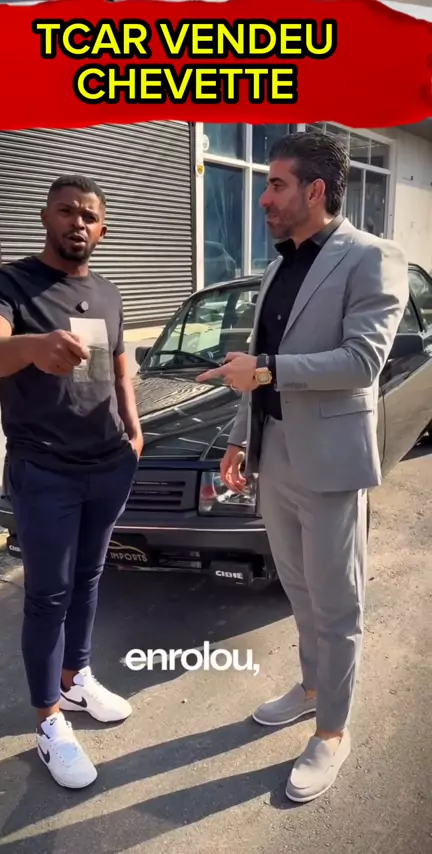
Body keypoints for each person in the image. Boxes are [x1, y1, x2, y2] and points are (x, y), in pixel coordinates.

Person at [197, 131, 409, 803]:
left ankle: (333, 732)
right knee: (300, 591)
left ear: (316, 191)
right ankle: (314, 687)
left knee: (337, 603)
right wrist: (239, 440)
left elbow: (361, 362)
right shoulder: (278, 265)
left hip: (331, 462)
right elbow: (254, 366)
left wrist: (265, 369)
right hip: (274, 454)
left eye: (276, 184)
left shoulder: (372, 257)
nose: (263, 198)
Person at [0, 174, 142, 789]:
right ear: (46, 216)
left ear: (102, 229)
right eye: (67, 211)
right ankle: (47, 719)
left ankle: (75, 679)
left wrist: (134, 431)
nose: (78, 223)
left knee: (89, 578)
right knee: (47, 594)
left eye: (89, 216)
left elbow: (119, 367)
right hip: (44, 469)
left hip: (108, 463)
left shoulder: (108, 292)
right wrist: (32, 346)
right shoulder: (7, 282)